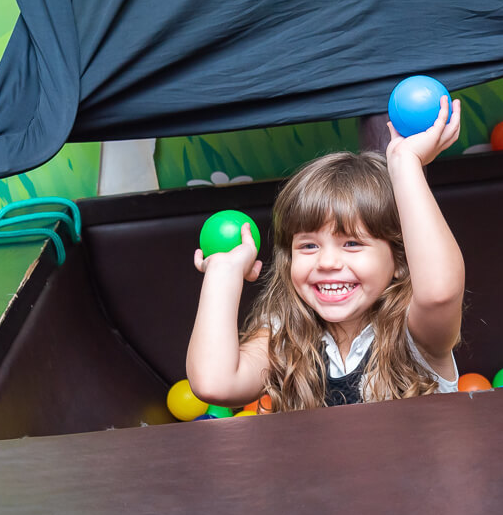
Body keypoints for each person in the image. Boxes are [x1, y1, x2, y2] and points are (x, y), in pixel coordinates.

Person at [186, 97, 464, 412]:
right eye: (308, 246)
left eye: (352, 244)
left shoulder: (414, 334)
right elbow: (214, 384)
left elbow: (439, 293)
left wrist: (405, 162)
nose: (327, 262)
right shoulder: (286, 336)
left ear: (400, 261)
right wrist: (223, 270)